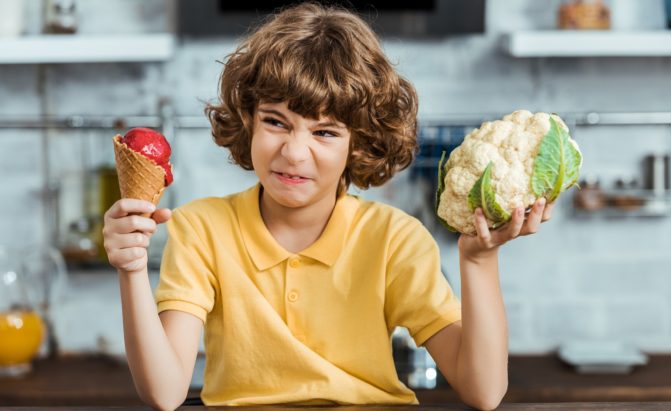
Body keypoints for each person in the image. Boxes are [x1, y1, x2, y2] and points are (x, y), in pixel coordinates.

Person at [102, 3, 554, 410]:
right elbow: (164, 393)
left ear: (360, 144)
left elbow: (484, 390)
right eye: (276, 122)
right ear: (248, 120)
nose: (295, 154)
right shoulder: (203, 229)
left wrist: (479, 260)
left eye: (325, 132)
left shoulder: (393, 239)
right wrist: (131, 268)